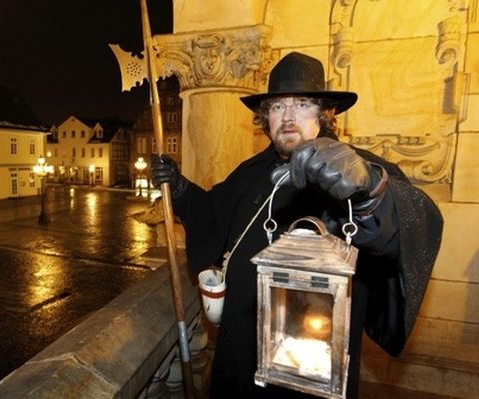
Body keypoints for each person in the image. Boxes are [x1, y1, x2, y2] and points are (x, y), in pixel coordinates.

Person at [151, 52, 443, 398]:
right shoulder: (250, 172)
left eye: (302, 104)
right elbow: (212, 213)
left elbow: (415, 221)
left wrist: (372, 194)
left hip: (311, 368)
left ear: (324, 112)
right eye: (277, 107)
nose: (288, 117)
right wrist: (180, 188)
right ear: (266, 117)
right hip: (242, 353)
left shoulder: (357, 171)